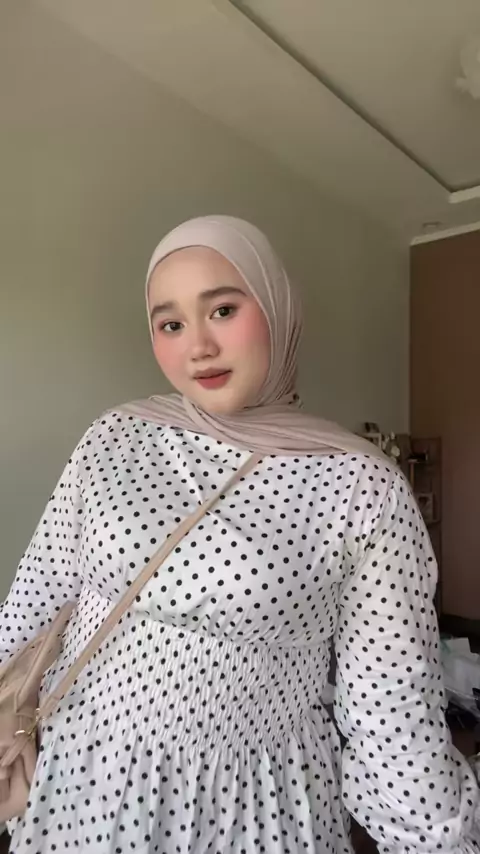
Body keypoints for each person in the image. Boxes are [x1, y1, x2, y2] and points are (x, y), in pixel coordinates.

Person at [1, 215, 478, 854]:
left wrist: (432, 839)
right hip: (82, 776)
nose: (198, 346)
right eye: (170, 324)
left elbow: (391, 707)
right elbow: (38, 593)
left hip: (253, 803)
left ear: (277, 310)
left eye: (222, 310)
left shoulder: (361, 485)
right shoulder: (113, 438)